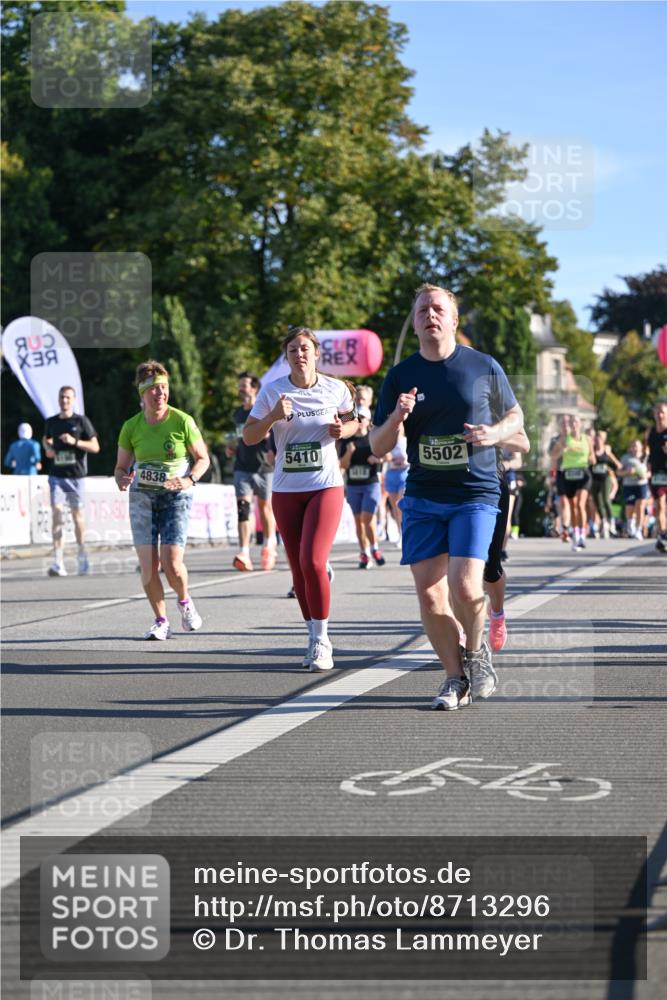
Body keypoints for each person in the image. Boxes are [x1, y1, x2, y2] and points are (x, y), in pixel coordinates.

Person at [370, 283, 527, 711]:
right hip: (423, 495)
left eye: (438, 309)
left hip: (474, 492)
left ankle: (476, 654)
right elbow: (379, 445)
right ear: (415, 321)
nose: (430, 315)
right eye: (422, 309)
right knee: (429, 595)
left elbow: (517, 418)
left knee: (463, 584)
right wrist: (398, 416)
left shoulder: (482, 366)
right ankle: (454, 677)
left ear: (454, 320)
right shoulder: (401, 375)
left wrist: (492, 433)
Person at [243, 327, 357, 671]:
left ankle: (323, 640)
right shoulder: (272, 392)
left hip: (325, 485)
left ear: (316, 353)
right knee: (297, 570)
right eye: (292, 350)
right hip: (286, 490)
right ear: (287, 356)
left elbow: (355, 423)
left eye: (305, 348)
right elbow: (249, 437)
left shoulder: (335, 388)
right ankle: (311, 636)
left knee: (312, 561)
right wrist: (273, 417)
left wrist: (343, 430)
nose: (299, 354)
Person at [115, 360, 210, 639]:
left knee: (171, 563)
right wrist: (121, 478)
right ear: (142, 394)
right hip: (142, 497)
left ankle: (184, 601)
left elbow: (203, 459)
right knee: (148, 566)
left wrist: (190, 479)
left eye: (164, 388)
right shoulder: (131, 427)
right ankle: (161, 620)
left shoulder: (183, 421)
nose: (161, 393)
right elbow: (120, 467)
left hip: (176, 496)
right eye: (155, 389)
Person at [43, 386, 100, 576]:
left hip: (76, 477)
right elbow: (46, 439)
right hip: (57, 476)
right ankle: (58, 561)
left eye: (67, 397)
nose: (64, 400)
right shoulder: (51, 422)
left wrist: (74, 442)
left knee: (77, 517)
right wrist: (48, 448)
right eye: (61, 397)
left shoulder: (81, 421)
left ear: (73, 400)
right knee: (57, 514)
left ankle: (82, 556)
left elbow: (95, 447)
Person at [226, 372, 278, 572]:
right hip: (242, 467)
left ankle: (268, 546)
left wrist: (267, 437)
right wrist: (231, 448)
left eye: (244, 385)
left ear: (254, 388)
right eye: (240, 385)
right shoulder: (237, 414)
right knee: (243, 508)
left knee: (265, 509)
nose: (241, 388)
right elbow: (238, 438)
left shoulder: (264, 409)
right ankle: (244, 552)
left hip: (264, 467)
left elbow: (274, 434)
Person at [484, 441, 530, 652]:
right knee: (457, 569)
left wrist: (493, 434)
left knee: (490, 569)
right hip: (449, 487)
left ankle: (497, 614)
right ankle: (465, 635)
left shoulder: (500, 409)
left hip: (492, 483)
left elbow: (523, 444)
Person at [339, 405, 385, 568]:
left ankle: (375, 548)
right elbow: (342, 465)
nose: (359, 421)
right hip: (353, 485)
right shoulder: (347, 441)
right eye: (356, 418)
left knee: (368, 518)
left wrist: (377, 458)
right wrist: (349, 453)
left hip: (370, 483)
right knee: (359, 521)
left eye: (362, 418)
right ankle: (364, 553)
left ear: (368, 421)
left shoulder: (373, 438)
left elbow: (387, 455)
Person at [549, 415, 595, 552]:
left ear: (580, 424)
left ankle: (582, 536)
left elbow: (593, 458)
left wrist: (591, 459)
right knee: (573, 506)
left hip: (583, 474)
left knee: (581, 504)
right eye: (571, 422)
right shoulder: (564, 439)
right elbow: (553, 455)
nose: (573, 424)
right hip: (568, 474)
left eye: (576, 422)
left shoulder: (587, 439)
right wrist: (561, 450)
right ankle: (575, 533)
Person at [590, 429, 622, 538]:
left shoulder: (607, 451)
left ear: (603, 440)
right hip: (594, 479)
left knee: (606, 499)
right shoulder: (592, 451)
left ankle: (612, 522)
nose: (598, 441)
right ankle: (604, 521)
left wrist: (610, 455)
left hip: (605, 478)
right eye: (596, 438)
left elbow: (618, 465)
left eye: (600, 439)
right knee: (597, 501)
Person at [618, 439, 650, 540]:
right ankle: (630, 523)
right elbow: (618, 472)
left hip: (641, 485)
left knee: (640, 506)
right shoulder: (626, 458)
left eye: (637, 446)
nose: (635, 448)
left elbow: (651, 471)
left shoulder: (646, 458)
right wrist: (627, 472)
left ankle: (638, 529)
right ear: (630, 448)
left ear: (641, 447)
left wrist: (645, 475)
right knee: (630, 507)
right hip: (629, 486)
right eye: (633, 446)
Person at [646, 401, 667, 552]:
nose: (660, 415)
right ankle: (663, 535)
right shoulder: (651, 432)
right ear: (654, 415)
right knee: (659, 505)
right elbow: (649, 451)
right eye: (657, 412)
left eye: (663, 412)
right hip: (657, 474)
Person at [384, 423, 409, 547]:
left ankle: (407, 533)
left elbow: (409, 458)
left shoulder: (406, 441)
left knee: (401, 504)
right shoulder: (389, 442)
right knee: (395, 508)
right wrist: (388, 458)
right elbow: (384, 456)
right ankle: (401, 535)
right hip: (391, 474)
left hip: (404, 474)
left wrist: (402, 460)